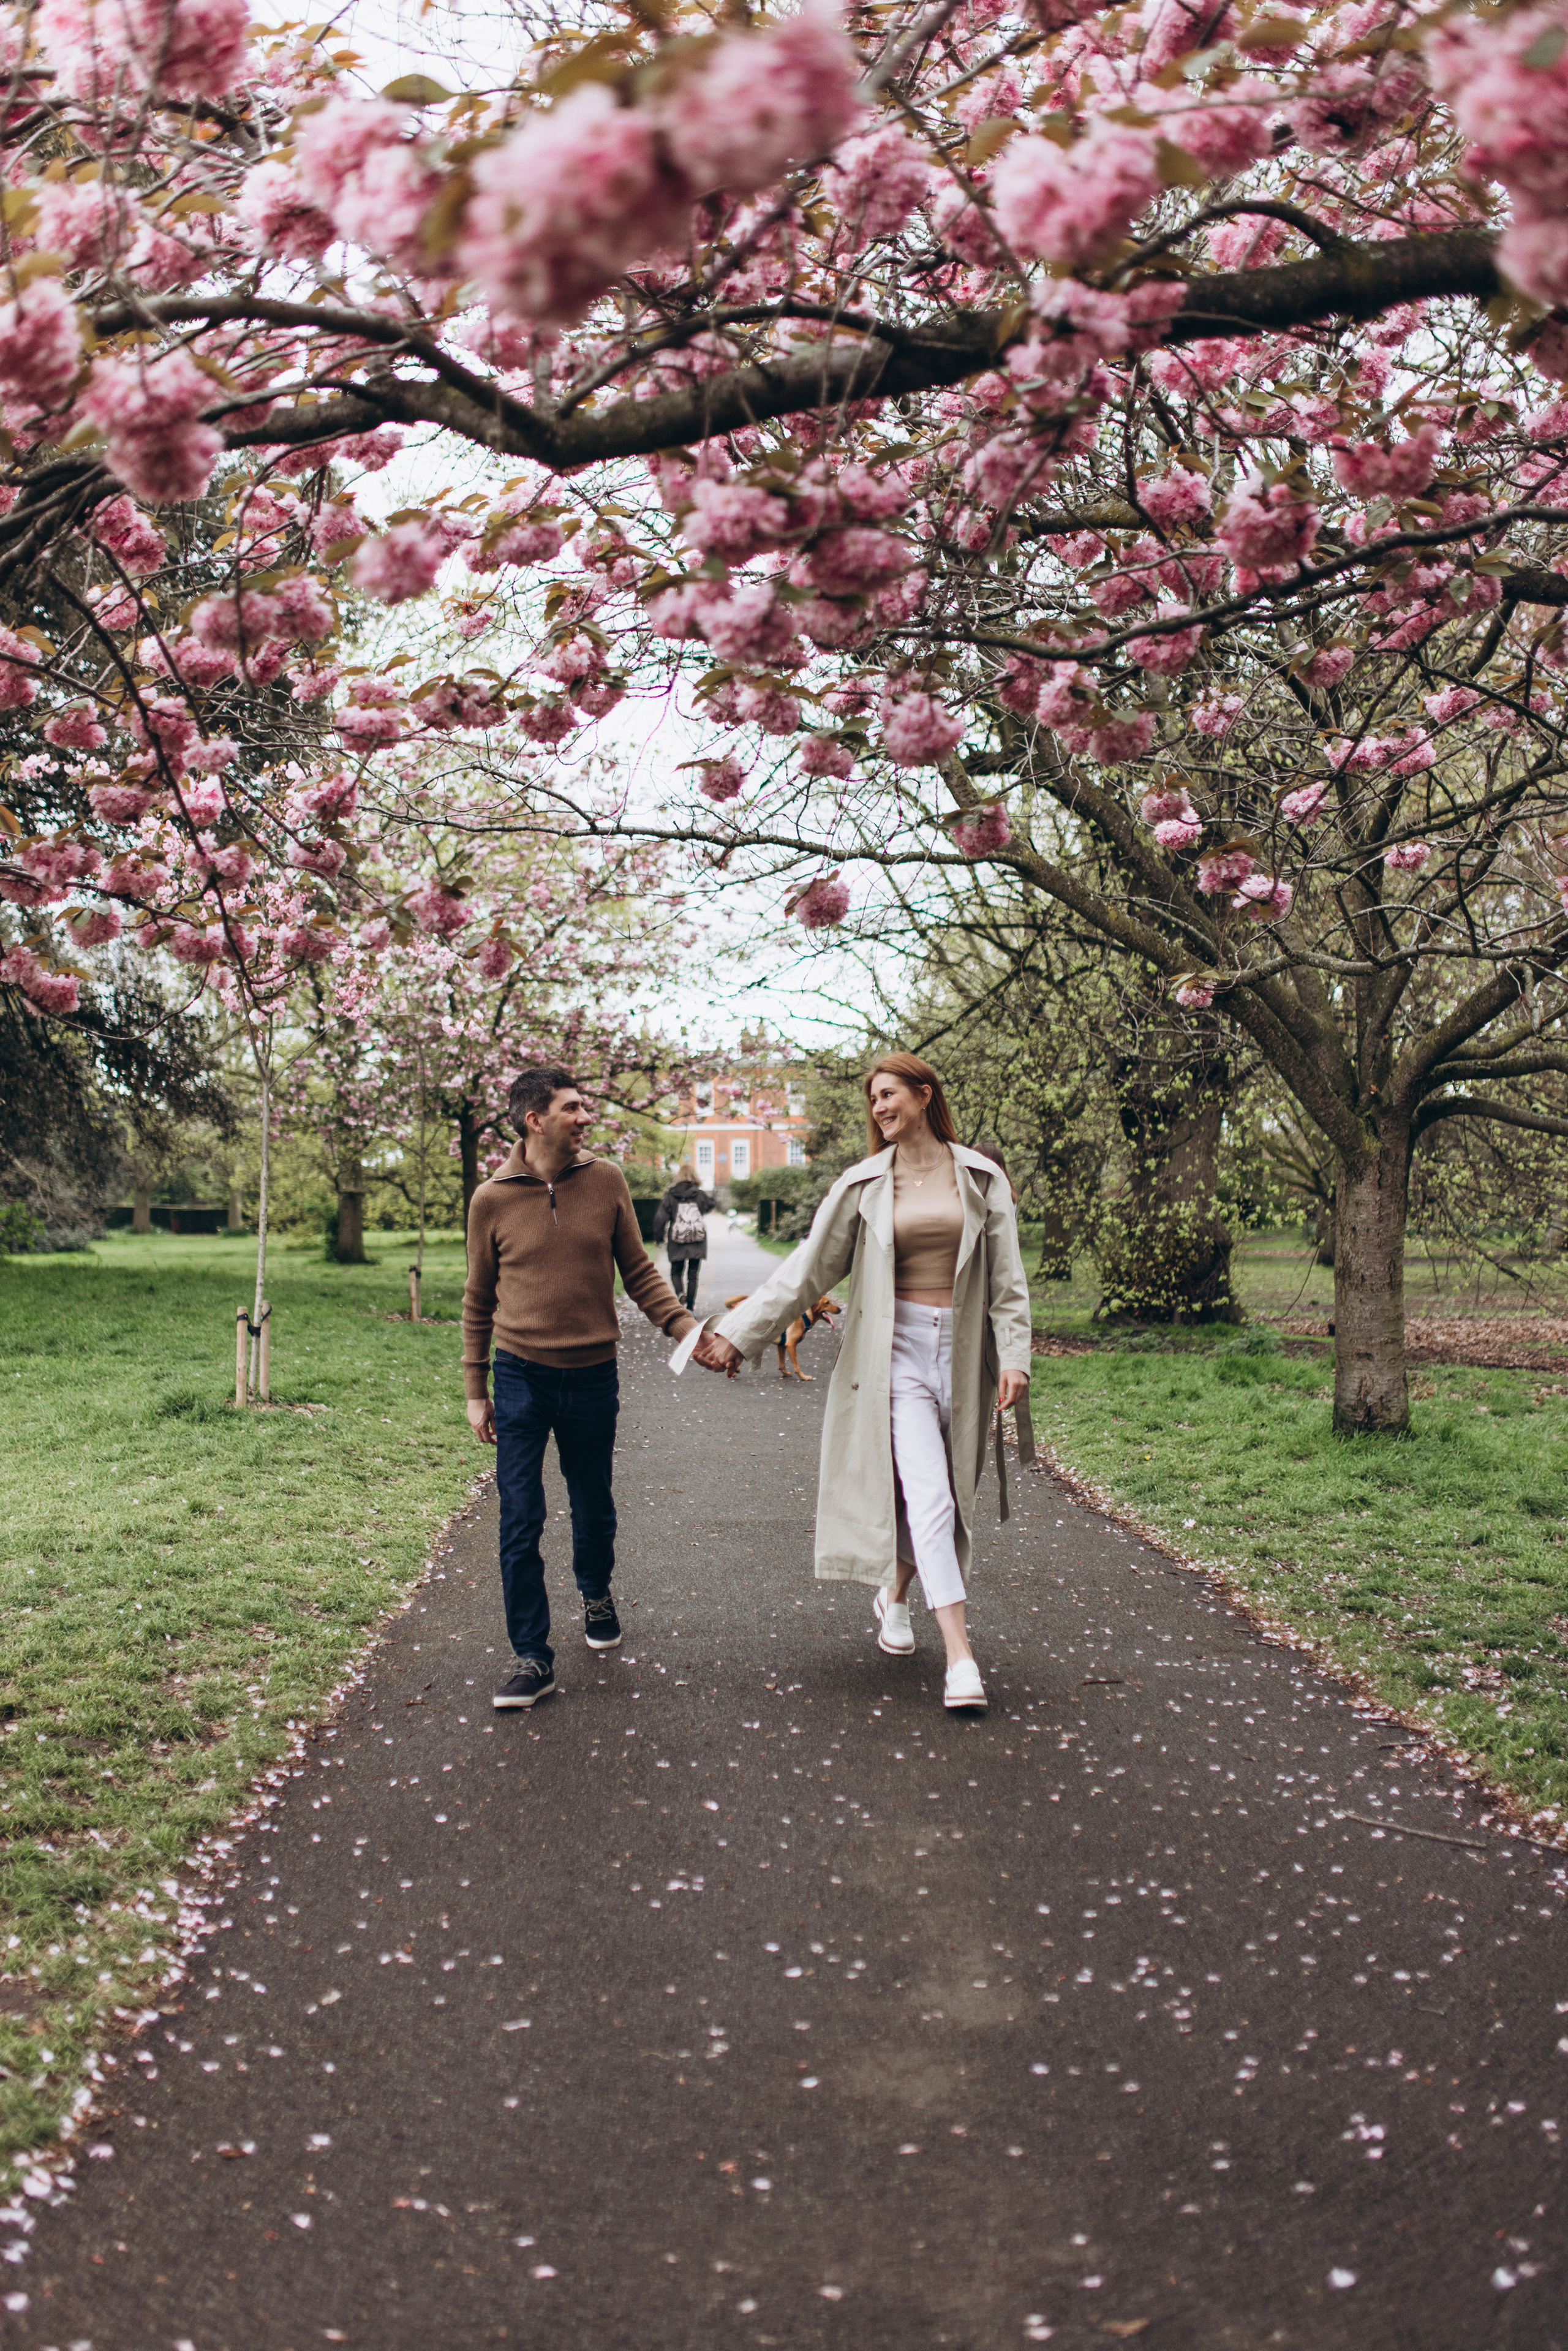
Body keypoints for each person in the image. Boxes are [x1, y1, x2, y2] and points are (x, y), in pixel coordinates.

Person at [695, 1052, 1031, 1714]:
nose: (878, 1107)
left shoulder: (981, 1177)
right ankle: (960, 1657)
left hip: (965, 1355)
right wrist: (740, 1334)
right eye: (873, 1098)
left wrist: (1015, 1356)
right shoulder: (863, 1183)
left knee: (936, 1493)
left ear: (924, 1095)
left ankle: (895, 1597)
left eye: (889, 1094)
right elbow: (806, 1271)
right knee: (931, 1496)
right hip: (893, 1353)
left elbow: (1008, 1279)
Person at [463, 1066, 730, 1711]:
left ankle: (595, 1590)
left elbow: (640, 1272)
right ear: (536, 1120)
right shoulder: (490, 1199)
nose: (586, 1117)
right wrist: (476, 1387)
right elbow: (478, 1297)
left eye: (585, 1106)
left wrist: (689, 1334)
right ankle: (532, 1655)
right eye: (573, 1107)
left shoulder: (606, 1180)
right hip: (520, 1375)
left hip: (591, 1374)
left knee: (593, 1503)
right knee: (519, 1515)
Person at [652, 1163, 715, 1313]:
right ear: (694, 1176)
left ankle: (681, 1293)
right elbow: (711, 1204)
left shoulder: (670, 1195)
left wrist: (658, 1238)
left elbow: (660, 1218)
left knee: (676, 1272)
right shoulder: (699, 1195)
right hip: (697, 1239)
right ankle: (691, 1307)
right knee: (693, 1275)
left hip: (677, 1240)